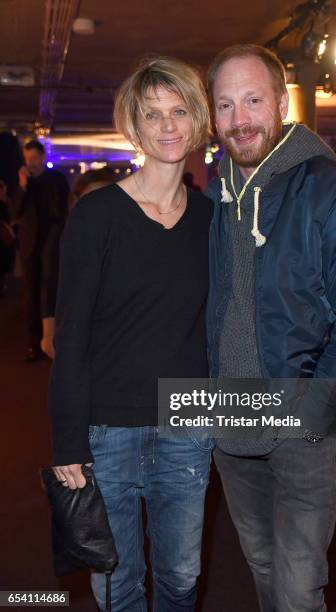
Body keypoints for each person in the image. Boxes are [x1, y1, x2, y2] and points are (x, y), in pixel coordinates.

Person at [205, 44, 336, 612]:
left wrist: (317, 416)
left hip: (303, 421)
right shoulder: (215, 198)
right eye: (226, 104)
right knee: (261, 564)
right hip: (231, 418)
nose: (240, 119)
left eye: (254, 100)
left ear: (282, 103)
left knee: (296, 585)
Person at [48, 56, 213, 612]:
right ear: (133, 126)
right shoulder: (97, 217)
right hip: (108, 429)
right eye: (152, 114)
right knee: (116, 583)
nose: (168, 126)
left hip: (188, 426)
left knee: (182, 578)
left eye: (179, 111)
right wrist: (67, 441)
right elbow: (70, 337)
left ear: (196, 121)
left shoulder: (213, 221)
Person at [15, 140, 69, 361]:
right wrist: (22, 186)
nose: (31, 163)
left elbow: (63, 207)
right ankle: (33, 343)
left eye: (35, 158)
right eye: (28, 159)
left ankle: (51, 339)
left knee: (50, 288)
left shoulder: (55, 179)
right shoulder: (23, 183)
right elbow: (15, 211)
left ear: (43, 157)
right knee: (31, 294)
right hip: (30, 245)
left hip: (52, 241)